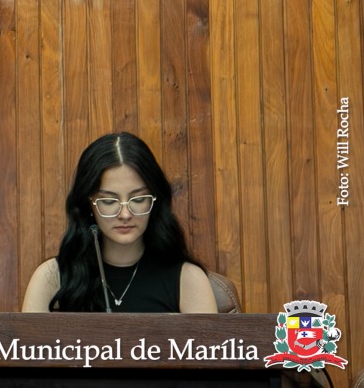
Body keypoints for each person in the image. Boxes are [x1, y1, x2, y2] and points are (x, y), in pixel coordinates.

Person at [21, 131, 218, 313]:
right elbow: (28, 350)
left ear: (154, 201)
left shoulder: (188, 279)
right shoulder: (51, 277)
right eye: (109, 201)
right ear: (88, 204)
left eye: (138, 200)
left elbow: (208, 351)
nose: (125, 214)